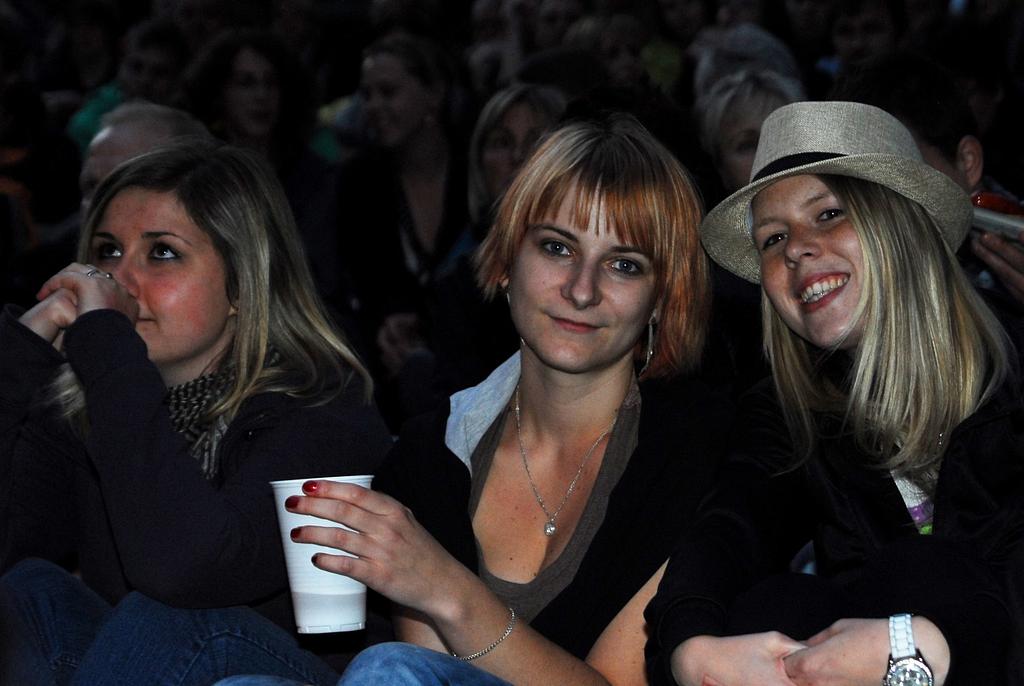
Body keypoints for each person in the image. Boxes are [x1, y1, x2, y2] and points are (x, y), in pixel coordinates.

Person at [207, 112, 731, 686]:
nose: (582, 289)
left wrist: (445, 589)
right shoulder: (432, 453)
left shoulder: (695, 449)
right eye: (557, 248)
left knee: (386, 666)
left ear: (663, 298)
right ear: (506, 262)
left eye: (624, 265)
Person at [645, 101, 1022, 685]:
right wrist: (687, 649)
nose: (794, 249)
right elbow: (727, 530)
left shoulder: (1013, 366)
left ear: (900, 223)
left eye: (827, 214)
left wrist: (929, 647)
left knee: (923, 572)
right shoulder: (789, 412)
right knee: (777, 609)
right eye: (772, 238)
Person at [0, 140, 393, 685]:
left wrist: (111, 357)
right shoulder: (93, 406)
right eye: (107, 252)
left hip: (287, 671)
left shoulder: (320, 412)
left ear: (241, 285)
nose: (118, 281)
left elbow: (184, 571)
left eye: (161, 253)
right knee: (28, 591)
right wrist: (18, 354)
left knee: (167, 617)